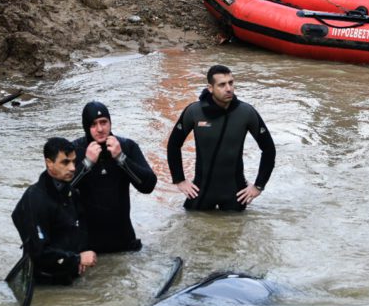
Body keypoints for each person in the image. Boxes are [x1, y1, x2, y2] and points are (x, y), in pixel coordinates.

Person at [166, 64, 275, 211]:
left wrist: (258, 186)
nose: (229, 88)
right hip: (201, 190)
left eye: (231, 83)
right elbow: (173, 145)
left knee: (237, 231)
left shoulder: (246, 112)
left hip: (235, 192)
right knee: (191, 229)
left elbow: (268, 149)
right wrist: (179, 180)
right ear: (210, 88)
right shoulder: (194, 111)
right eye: (222, 85)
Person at [71, 101, 157, 253]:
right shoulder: (75, 150)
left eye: (104, 122)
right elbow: (58, 193)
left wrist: (121, 159)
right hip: (87, 247)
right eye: (93, 124)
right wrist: (86, 164)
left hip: (124, 241)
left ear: (110, 123)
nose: (100, 129)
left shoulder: (127, 146)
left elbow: (148, 186)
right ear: (86, 126)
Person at [11, 137, 97, 284]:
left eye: (73, 161)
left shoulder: (71, 192)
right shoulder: (34, 199)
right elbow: (38, 253)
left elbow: (81, 226)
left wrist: (82, 252)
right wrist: (77, 259)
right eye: (65, 162)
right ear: (49, 163)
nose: (72, 168)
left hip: (70, 276)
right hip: (43, 283)